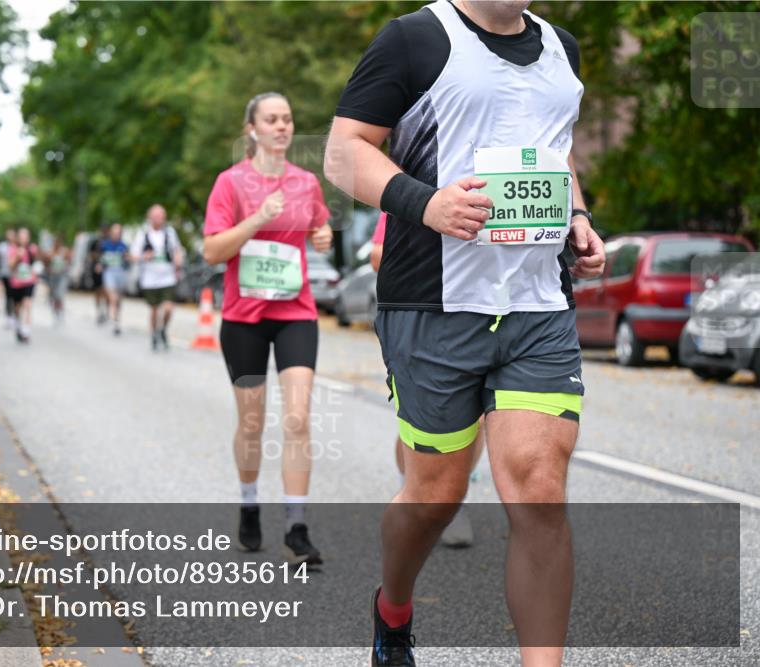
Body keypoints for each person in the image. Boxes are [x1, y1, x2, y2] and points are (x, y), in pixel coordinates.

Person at [325, 2, 606, 665]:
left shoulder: (561, 48)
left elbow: (554, 148)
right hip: (433, 303)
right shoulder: (416, 38)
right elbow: (343, 152)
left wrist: (578, 215)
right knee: (436, 495)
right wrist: (425, 202)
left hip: (537, 304)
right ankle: (393, 608)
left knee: (539, 488)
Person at [203, 92, 334, 566]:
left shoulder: (305, 182)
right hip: (245, 319)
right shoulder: (230, 183)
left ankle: (297, 527)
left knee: (297, 419)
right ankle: (249, 502)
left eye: (287, 119)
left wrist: (322, 236)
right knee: (252, 422)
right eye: (272, 120)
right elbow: (212, 251)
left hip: (295, 312)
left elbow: (319, 228)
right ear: (251, 130)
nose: (282, 127)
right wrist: (257, 219)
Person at [371, 212, 479, 548]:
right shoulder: (413, 189)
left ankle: (455, 499)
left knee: (476, 417)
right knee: (417, 423)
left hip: (480, 315)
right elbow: (376, 255)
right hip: (425, 317)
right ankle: (413, 489)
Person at [132, 205, 184, 351]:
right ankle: (154, 333)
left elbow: (177, 250)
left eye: (162, 216)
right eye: (156, 216)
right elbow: (133, 256)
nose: (159, 219)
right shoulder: (143, 234)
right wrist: (144, 256)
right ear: (150, 217)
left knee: (168, 308)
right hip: (150, 278)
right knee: (154, 309)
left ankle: (163, 329)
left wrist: (178, 260)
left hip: (167, 277)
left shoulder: (169, 232)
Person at [8, 226, 39, 343]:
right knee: (17, 307)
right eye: (21, 236)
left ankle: (26, 330)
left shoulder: (32, 248)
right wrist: (17, 256)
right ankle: (18, 325)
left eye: (25, 236)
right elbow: (10, 265)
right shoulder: (13, 249)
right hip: (16, 283)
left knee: (27, 304)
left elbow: (38, 262)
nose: (23, 239)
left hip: (29, 281)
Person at [97, 223, 129, 336]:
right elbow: (101, 258)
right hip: (109, 272)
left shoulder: (124, 246)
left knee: (118, 299)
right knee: (113, 297)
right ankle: (113, 319)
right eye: (114, 233)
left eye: (118, 233)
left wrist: (127, 258)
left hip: (120, 273)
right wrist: (99, 265)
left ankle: (117, 320)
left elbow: (127, 261)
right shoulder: (105, 245)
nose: (116, 235)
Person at [45, 237, 71, 323]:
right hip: (53, 277)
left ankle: (61, 312)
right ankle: (55, 312)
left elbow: (69, 261)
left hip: (62, 276)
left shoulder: (64, 251)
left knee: (59, 295)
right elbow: (46, 264)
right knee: (54, 296)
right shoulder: (50, 252)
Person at [0, 228, 17, 328]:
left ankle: (14, 315)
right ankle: (9, 316)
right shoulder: (1, 247)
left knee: (14, 296)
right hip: (4, 274)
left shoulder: (17, 247)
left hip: (15, 275)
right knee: (8, 295)